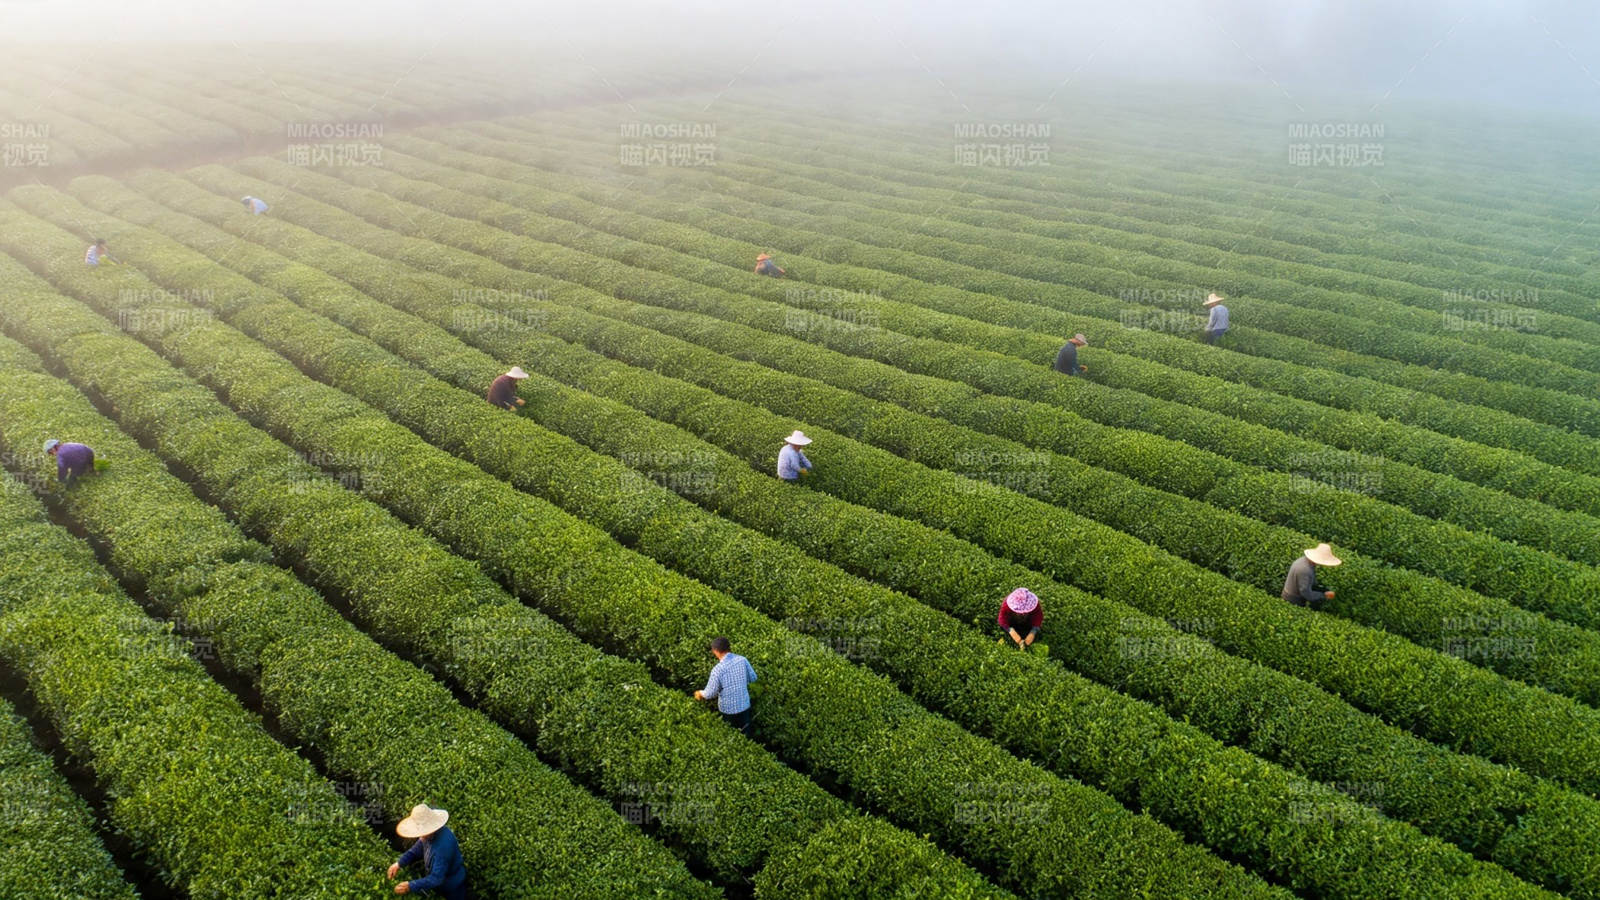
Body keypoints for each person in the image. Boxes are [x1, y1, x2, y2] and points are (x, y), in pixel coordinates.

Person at [387, 804, 466, 899]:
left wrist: (410, 886)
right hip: (440, 883)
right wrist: (398, 864)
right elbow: (415, 851)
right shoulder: (428, 836)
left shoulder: (443, 847)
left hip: (452, 886)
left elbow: (436, 878)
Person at [693, 636, 758, 735]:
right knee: (746, 735)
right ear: (729, 647)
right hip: (744, 705)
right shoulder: (742, 660)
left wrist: (700, 693)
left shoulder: (718, 670)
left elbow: (710, 693)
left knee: (731, 734)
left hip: (728, 711)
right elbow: (753, 677)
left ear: (715, 651)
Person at [1282, 543, 1342, 609]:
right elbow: (1306, 593)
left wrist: (1322, 590)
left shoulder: (1305, 561)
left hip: (1294, 595)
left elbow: (1309, 583)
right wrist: (1324, 595)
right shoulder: (1305, 570)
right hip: (1293, 599)